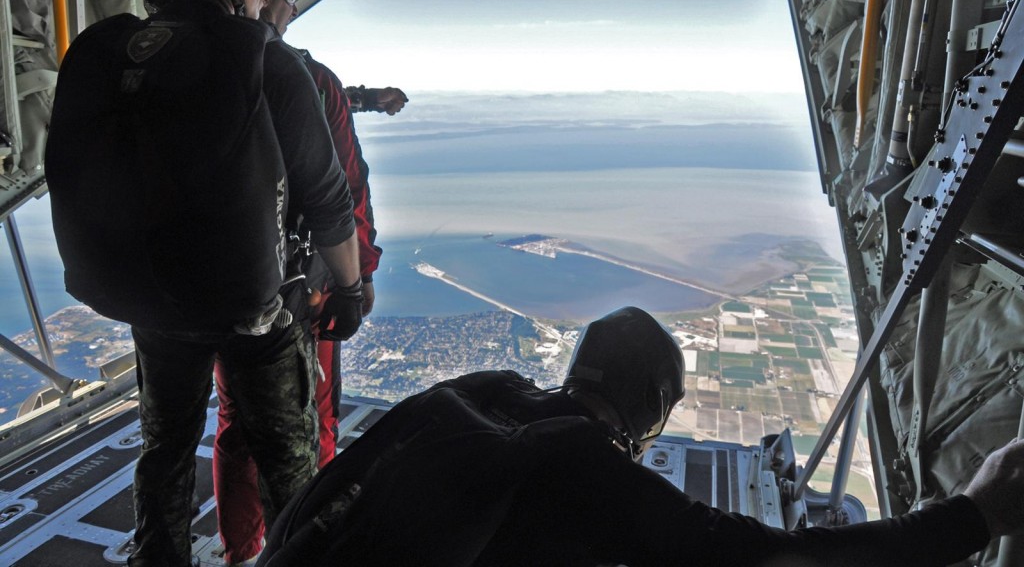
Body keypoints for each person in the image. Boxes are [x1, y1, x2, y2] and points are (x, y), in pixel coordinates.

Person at [48, 0, 365, 566]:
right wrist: (352, 290)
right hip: (250, 312)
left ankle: (160, 555)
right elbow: (330, 203)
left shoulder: (128, 50)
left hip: (152, 305)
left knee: (164, 449)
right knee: (289, 459)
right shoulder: (267, 62)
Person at [255, 306, 1024, 567]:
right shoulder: (588, 471)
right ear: (651, 409)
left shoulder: (475, 393)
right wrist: (974, 515)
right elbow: (781, 557)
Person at [211, 0, 405, 565]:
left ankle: (241, 552)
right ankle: (304, 551)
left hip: (210, 287)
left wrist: (366, 96)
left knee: (237, 424)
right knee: (311, 424)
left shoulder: (200, 67)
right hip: (298, 293)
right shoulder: (307, 78)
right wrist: (358, 278)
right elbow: (343, 194)